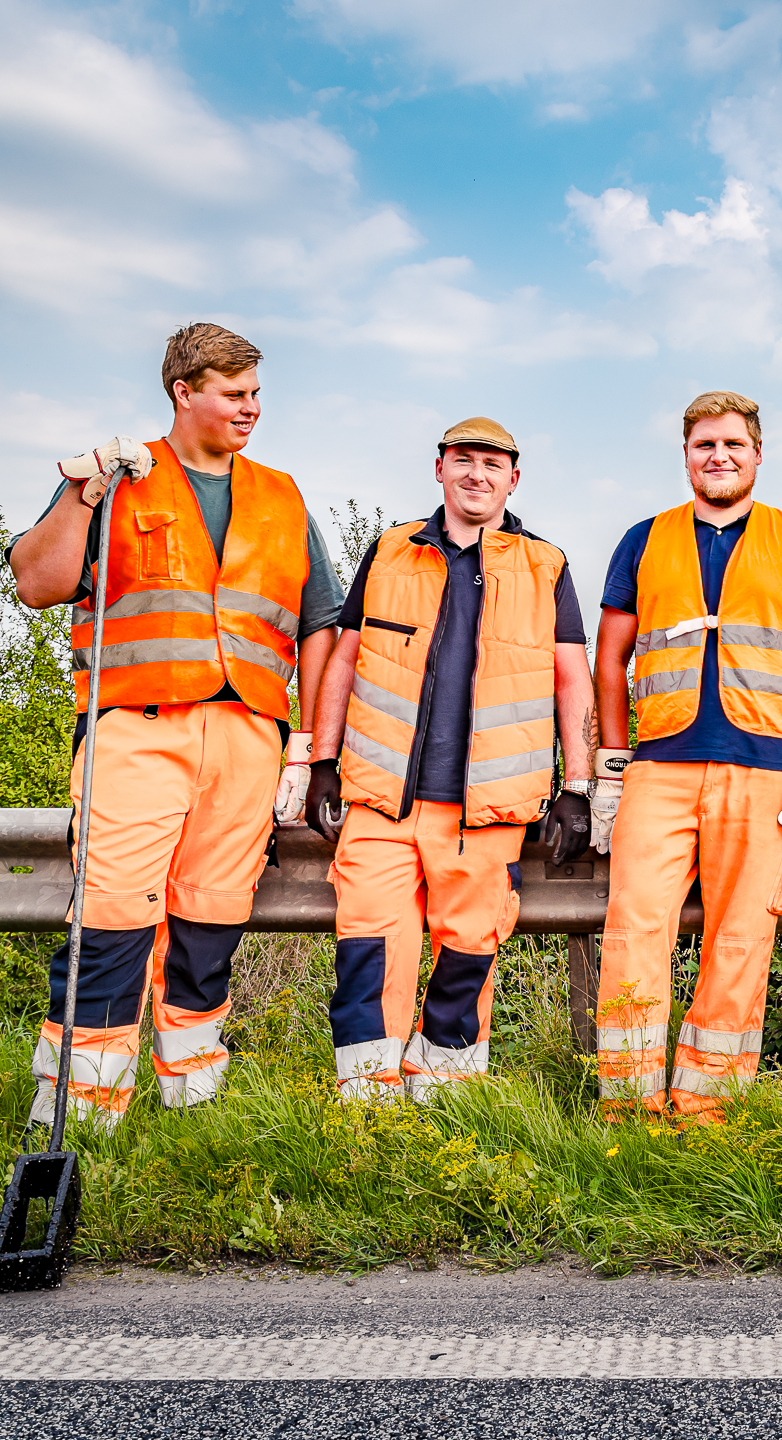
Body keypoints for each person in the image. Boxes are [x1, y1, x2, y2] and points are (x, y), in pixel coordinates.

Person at [7, 322, 342, 1127]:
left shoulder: (282, 494)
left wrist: (310, 749)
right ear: (183, 393)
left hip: (249, 738)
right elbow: (38, 582)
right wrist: (85, 491)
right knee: (115, 915)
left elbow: (321, 627)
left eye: (256, 393)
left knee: (210, 920)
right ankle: (80, 1114)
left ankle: (191, 1102)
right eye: (235, 394)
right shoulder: (121, 481)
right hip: (136, 728)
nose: (251, 408)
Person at [302, 418, 592, 1101]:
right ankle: (365, 1113)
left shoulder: (544, 563)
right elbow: (345, 658)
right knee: (368, 956)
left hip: (487, 811)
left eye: (493, 465)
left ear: (513, 479)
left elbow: (571, 676)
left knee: (467, 959)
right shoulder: (391, 550)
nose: (477, 475)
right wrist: (319, 760)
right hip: (381, 802)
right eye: (463, 461)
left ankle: (446, 1109)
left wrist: (576, 786)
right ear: (439, 469)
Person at [590, 391, 782, 1117]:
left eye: (733, 444)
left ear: (758, 455)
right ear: (686, 455)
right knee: (633, 934)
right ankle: (627, 1111)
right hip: (658, 770)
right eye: (705, 445)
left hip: (762, 770)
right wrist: (610, 769)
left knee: (739, 943)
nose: (719, 456)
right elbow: (610, 661)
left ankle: (709, 1115)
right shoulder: (643, 540)